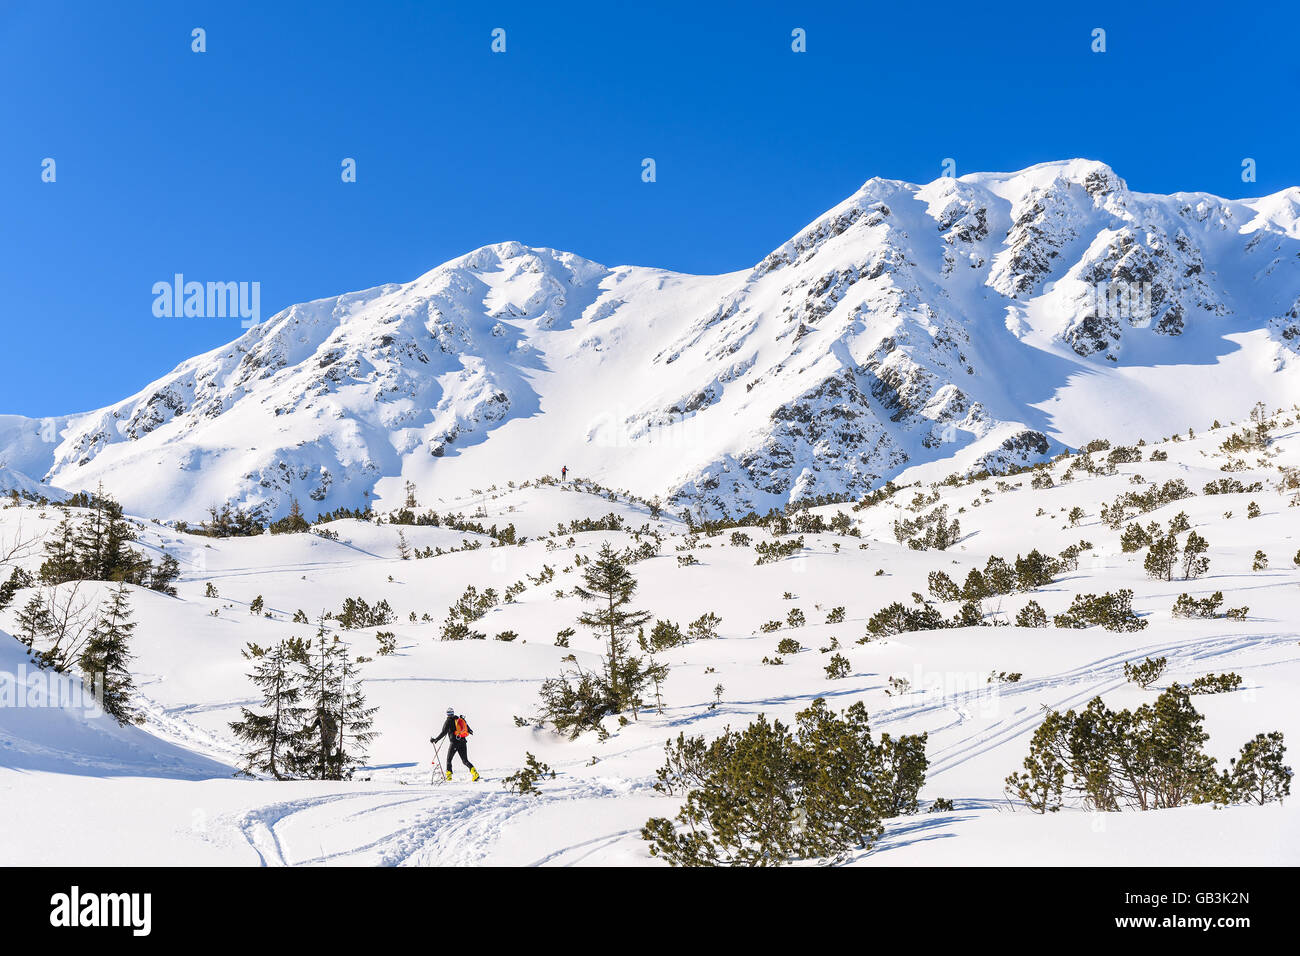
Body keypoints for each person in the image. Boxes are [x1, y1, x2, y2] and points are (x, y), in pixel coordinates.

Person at [431, 707, 479, 781]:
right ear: (453, 713)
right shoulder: (459, 719)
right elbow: (467, 728)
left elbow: (443, 732)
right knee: (465, 760)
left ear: (447, 714)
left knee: (449, 760)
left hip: (454, 743)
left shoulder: (448, 721)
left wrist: (436, 740)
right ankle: (475, 774)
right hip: (463, 741)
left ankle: (449, 777)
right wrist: (470, 730)